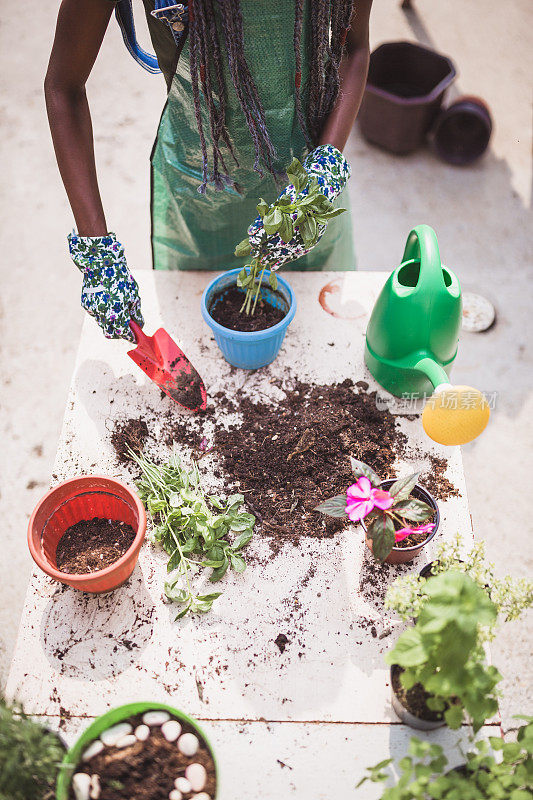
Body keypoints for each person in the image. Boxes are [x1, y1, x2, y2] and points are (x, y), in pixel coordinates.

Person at [45, 0, 373, 341]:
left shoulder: (314, 188)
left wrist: (323, 172)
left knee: (322, 334)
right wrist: (97, 254)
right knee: (194, 327)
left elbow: (356, 49)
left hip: (306, 189)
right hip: (199, 189)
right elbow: (63, 88)